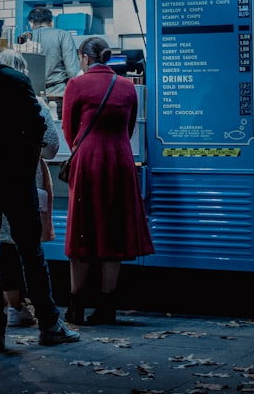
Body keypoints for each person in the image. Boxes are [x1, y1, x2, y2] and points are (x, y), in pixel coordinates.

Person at [0, 15, 79, 353]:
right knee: (31, 252)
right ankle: (48, 324)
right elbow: (38, 130)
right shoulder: (15, 80)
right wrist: (27, 165)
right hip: (15, 178)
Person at [61, 35, 154, 327]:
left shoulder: (75, 85)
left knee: (82, 231)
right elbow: (129, 128)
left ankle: (76, 306)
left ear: (86, 58)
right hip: (121, 160)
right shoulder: (128, 86)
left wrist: (84, 146)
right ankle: (107, 306)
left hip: (88, 161)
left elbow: (68, 129)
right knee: (113, 231)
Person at [0, 49, 60, 328]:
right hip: (23, 181)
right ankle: (47, 318)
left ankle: (12, 309)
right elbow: (51, 148)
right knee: (30, 249)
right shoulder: (34, 102)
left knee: (2, 247)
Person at [22, 6, 81, 108]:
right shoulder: (63, 35)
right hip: (57, 95)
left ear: (31, 23)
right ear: (51, 21)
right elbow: (73, 72)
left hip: (31, 97)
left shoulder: (23, 38)